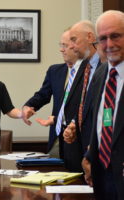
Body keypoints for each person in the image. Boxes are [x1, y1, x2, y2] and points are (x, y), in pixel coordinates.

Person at [82, 10, 124, 200]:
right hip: (102, 174)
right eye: (103, 39)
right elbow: (100, 121)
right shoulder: (100, 75)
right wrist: (90, 156)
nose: (109, 44)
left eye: (115, 36)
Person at [22, 30, 80, 159]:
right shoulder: (55, 71)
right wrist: (28, 106)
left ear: (76, 46)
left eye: (64, 45)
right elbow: (43, 95)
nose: (61, 50)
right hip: (57, 138)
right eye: (60, 45)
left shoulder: (89, 72)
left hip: (78, 138)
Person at [61, 20, 102, 171]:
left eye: (73, 40)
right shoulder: (85, 66)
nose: (70, 46)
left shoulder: (106, 66)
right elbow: (85, 104)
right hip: (81, 150)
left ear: (90, 37)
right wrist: (74, 124)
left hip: (100, 153)